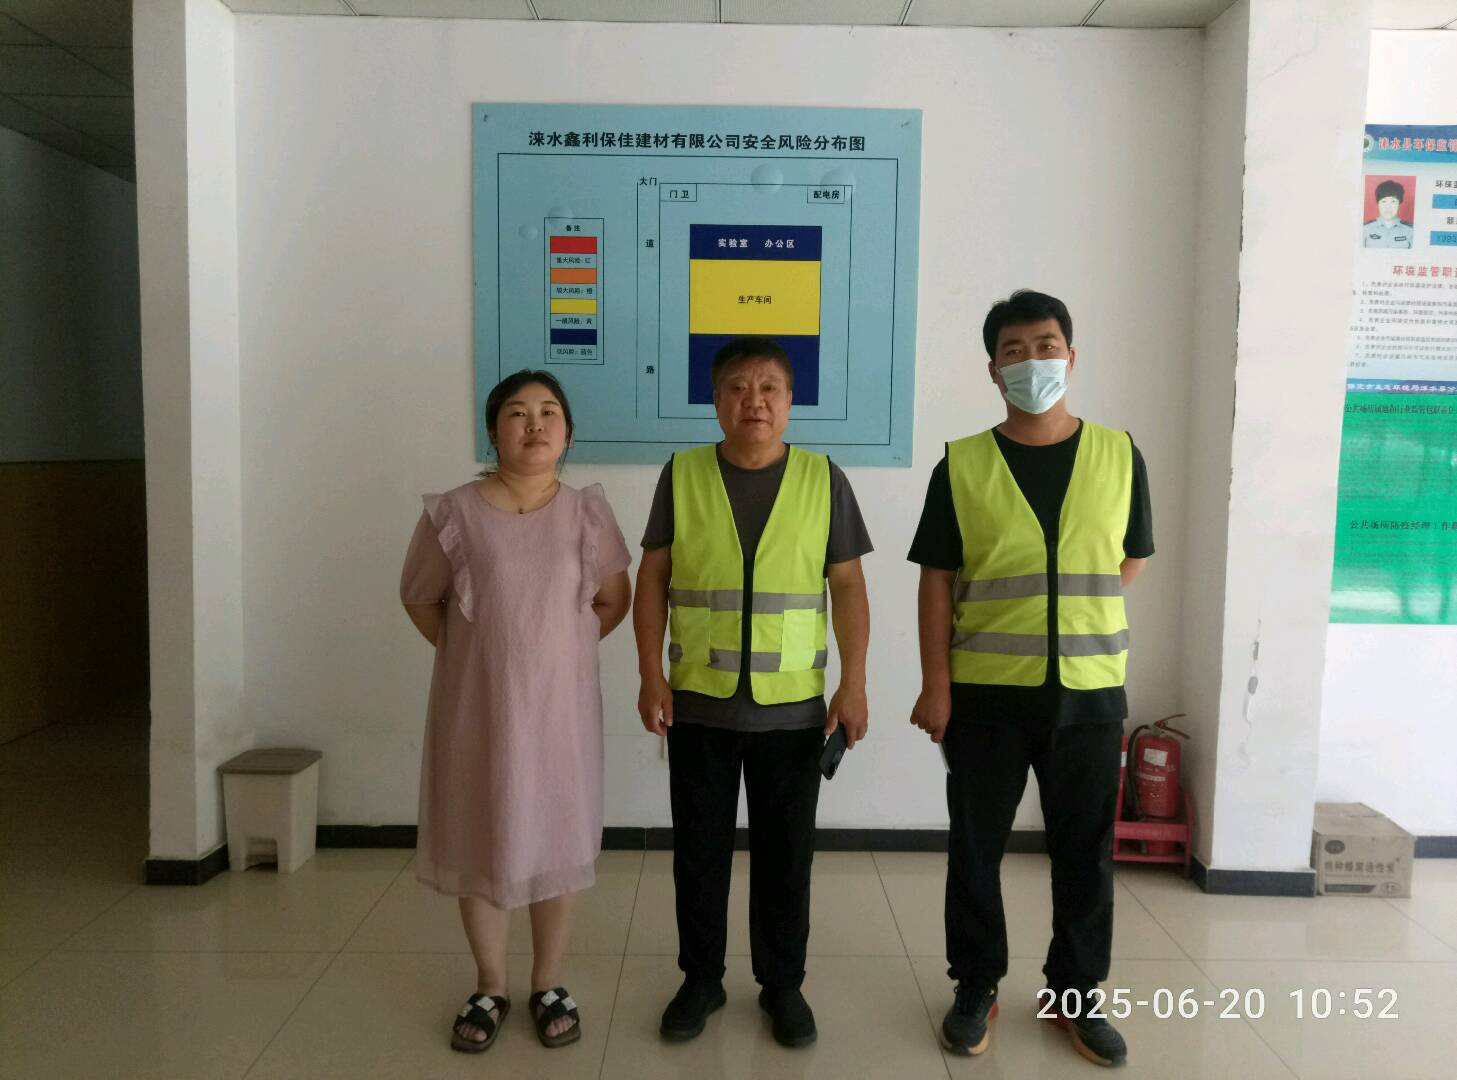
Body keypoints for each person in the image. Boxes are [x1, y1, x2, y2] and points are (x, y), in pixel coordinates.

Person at [907, 291, 1153, 1068]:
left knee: (1085, 851)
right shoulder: (962, 464)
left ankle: (1073, 992)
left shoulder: (1119, 454)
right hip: (986, 694)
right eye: (1013, 350)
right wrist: (935, 684)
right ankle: (975, 984)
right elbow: (936, 579)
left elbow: (1129, 559)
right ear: (993, 370)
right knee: (975, 848)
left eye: (1045, 346)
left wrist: (1072, 618)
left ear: (1070, 357)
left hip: (1089, 694)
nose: (1031, 361)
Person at [633, 336, 873, 1049]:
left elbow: (848, 586)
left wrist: (853, 684)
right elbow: (652, 578)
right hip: (699, 702)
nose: (754, 400)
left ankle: (782, 985)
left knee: (785, 859)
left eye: (769, 387)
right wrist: (649, 674)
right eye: (737, 387)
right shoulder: (681, 475)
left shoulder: (824, 479)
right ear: (715, 401)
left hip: (793, 713)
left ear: (791, 401)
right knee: (698, 854)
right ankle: (701, 979)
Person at [399, 369, 632, 1054]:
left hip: (561, 711)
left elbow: (613, 600)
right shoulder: (454, 514)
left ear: (568, 433)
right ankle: (490, 983)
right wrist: (478, 657)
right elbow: (419, 596)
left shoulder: (588, 514)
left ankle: (548, 980)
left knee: (558, 830)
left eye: (549, 412)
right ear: (493, 430)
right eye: (518, 412)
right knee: (481, 826)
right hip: (478, 708)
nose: (535, 424)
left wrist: (554, 652)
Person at [1362, 179, 1414, 248]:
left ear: (1399, 203)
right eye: (1384, 201)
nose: (1388, 207)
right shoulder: (1364, 229)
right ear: (1378, 203)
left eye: (1393, 201)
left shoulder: (1411, 230)